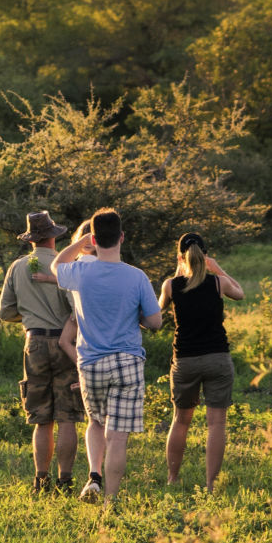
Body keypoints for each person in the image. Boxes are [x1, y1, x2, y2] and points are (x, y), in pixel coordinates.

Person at [52, 208, 162, 503]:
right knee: (118, 436)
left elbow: (56, 265)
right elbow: (155, 322)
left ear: (94, 239)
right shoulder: (137, 277)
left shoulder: (79, 272)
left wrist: (78, 243)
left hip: (90, 363)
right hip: (127, 361)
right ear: (122, 237)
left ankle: (93, 477)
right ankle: (111, 501)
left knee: (96, 423)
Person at [0, 209, 84, 495]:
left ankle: (41, 480)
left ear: (31, 239)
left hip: (33, 342)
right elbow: (77, 309)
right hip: (65, 342)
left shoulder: (18, 266)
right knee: (67, 415)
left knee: (41, 417)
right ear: (54, 237)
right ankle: (66, 480)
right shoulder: (66, 266)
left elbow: (4, 312)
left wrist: (30, 316)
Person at [158, 232, 244, 493]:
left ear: (180, 256)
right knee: (216, 423)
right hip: (218, 358)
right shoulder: (218, 283)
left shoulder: (171, 285)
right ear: (205, 256)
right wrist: (217, 268)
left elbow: (155, 314)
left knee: (181, 420)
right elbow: (239, 293)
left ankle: (173, 477)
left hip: (185, 360)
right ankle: (210, 484)